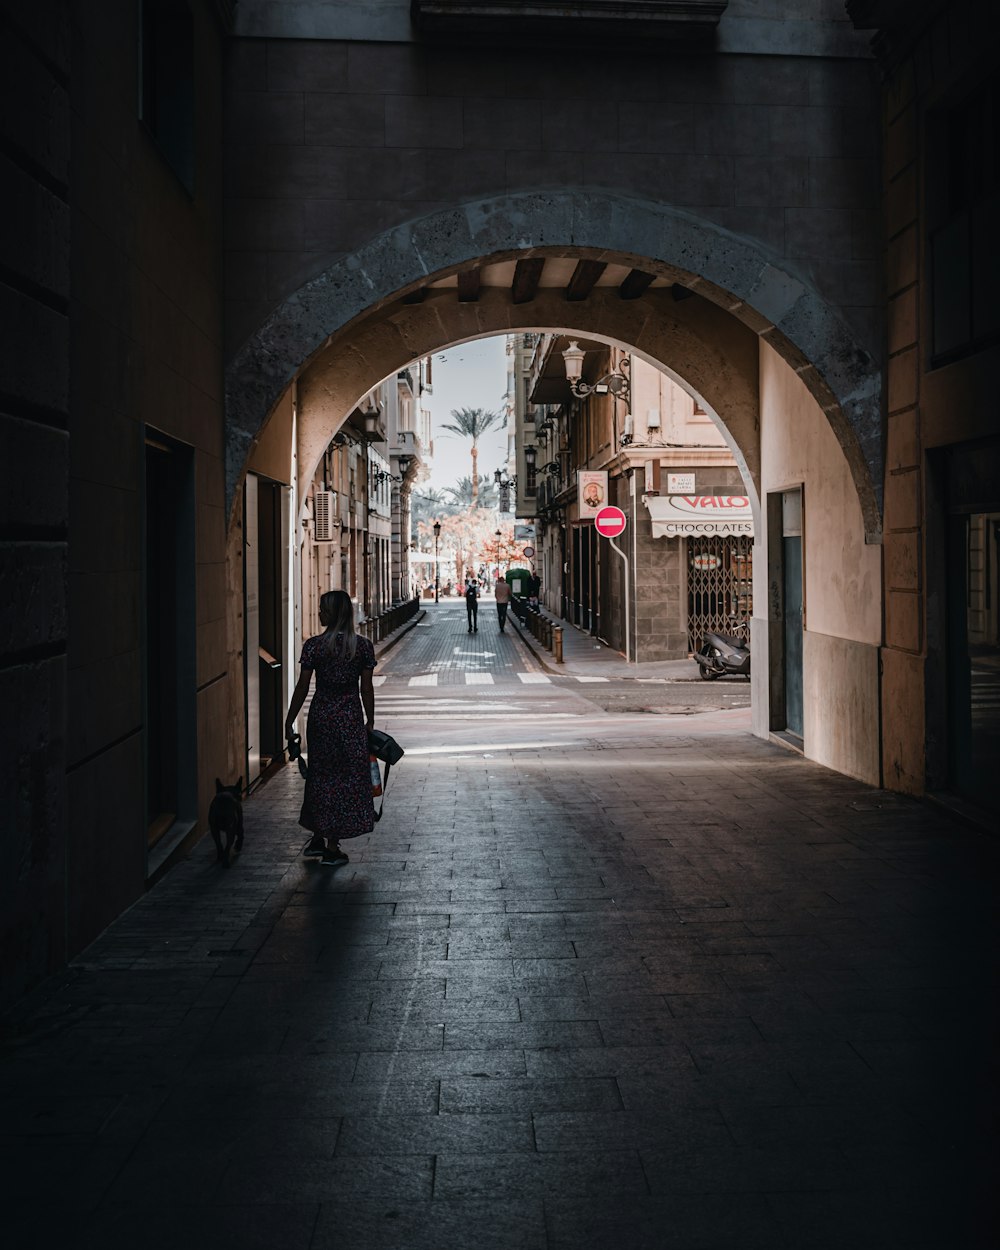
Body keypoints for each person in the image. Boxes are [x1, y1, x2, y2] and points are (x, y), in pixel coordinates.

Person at [284, 589, 376, 868]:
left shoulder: (314, 646)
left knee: (321, 775)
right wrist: (369, 722)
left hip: (322, 716)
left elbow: (303, 687)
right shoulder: (361, 646)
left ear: (333, 613)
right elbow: (366, 689)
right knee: (345, 778)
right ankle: (332, 847)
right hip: (348, 717)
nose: (319, 612)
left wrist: (289, 720)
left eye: (323, 608)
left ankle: (320, 837)